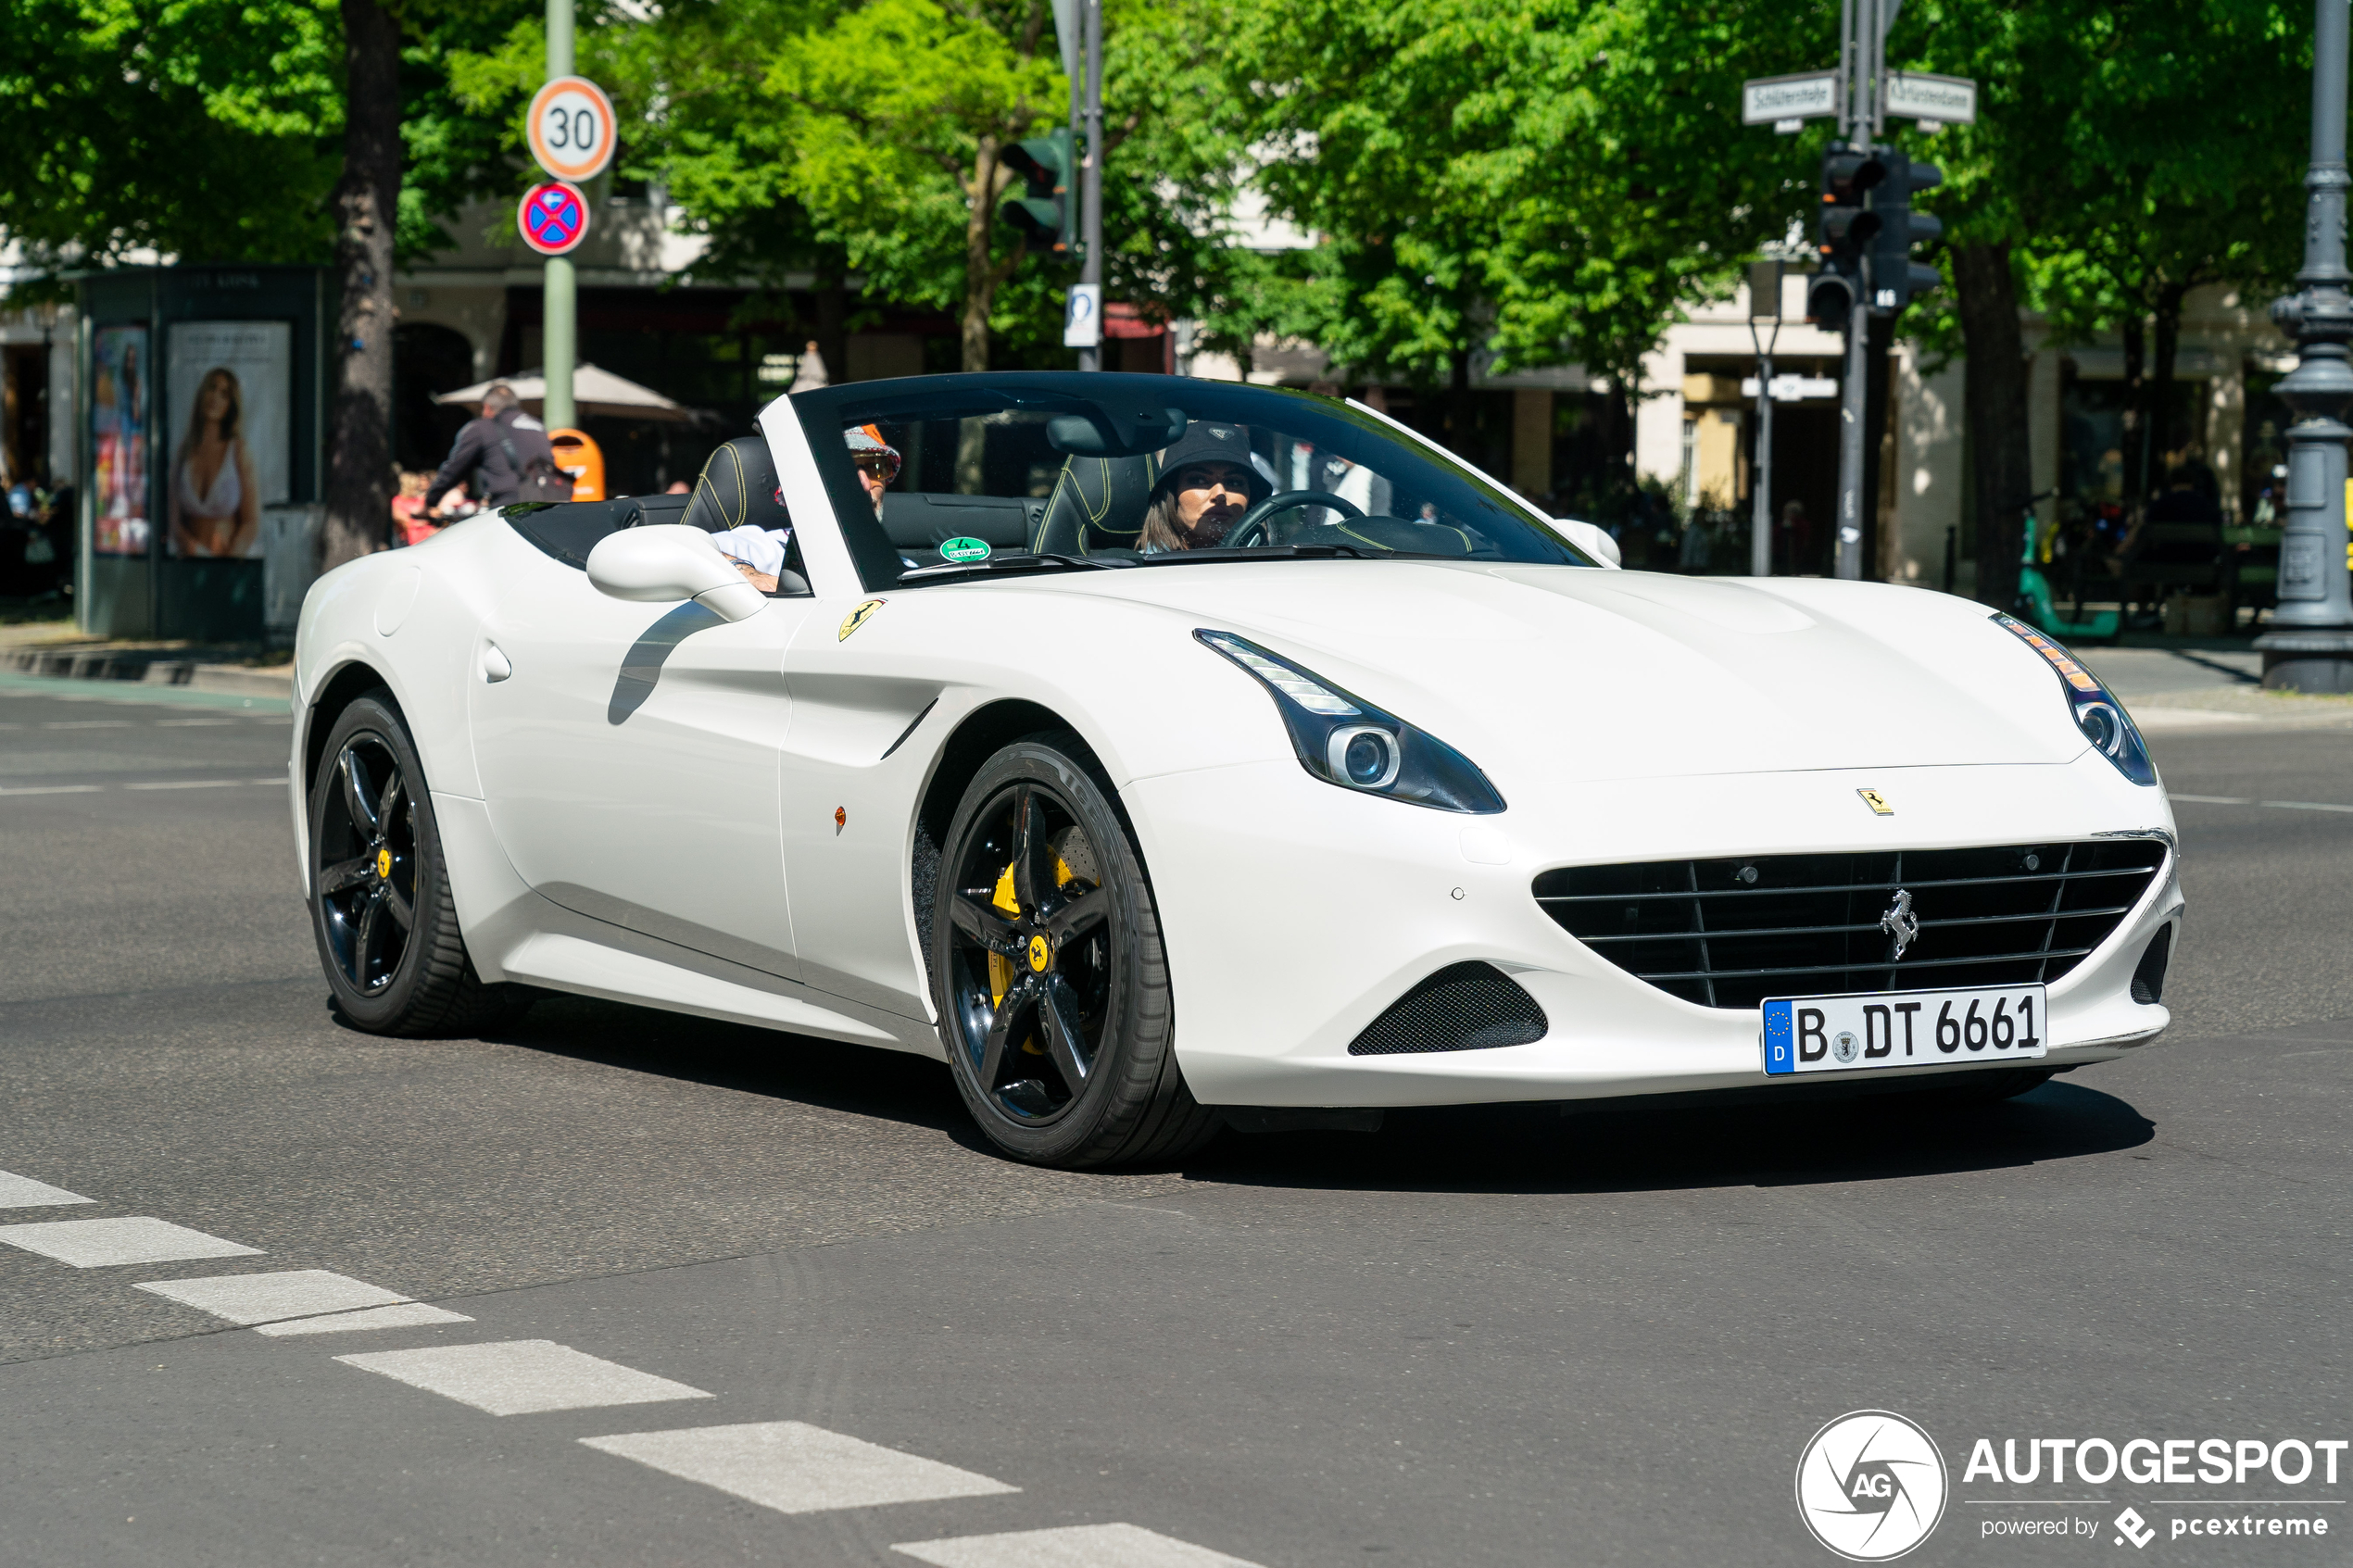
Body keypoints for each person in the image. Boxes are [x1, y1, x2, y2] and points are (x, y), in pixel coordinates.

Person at [170, 367, 261, 558]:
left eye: (224, 394)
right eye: (211, 388)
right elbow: (173, 520)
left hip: (229, 562)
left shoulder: (238, 451)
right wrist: (191, 548)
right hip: (188, 564)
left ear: (231, 405)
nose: (215, 397)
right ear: (202, 393)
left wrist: (231, 561)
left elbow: (251, 522)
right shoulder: (184, 451)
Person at [1137, 422, 1270, 553]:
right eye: (1199, 480)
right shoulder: (1136, 573)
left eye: (1234, 482)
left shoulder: (1276, 571)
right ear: (1170, 494)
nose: (1220, 495)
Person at [425, 383, 559, 511]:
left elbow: (454, 468)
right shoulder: (538, 426)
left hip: (510, 507)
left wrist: (430, 500)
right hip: (547, 502)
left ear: (487, 407)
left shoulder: (482, 428)